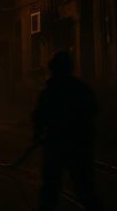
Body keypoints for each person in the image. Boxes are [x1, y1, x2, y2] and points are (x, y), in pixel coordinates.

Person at [32, 51, 103, 211]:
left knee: (51, 189)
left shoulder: (49, 91)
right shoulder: (81, 89)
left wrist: (37, 134)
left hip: (57, 145)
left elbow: (39, 116)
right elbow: (92, 111)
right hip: (78, 145)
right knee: (84, 189)